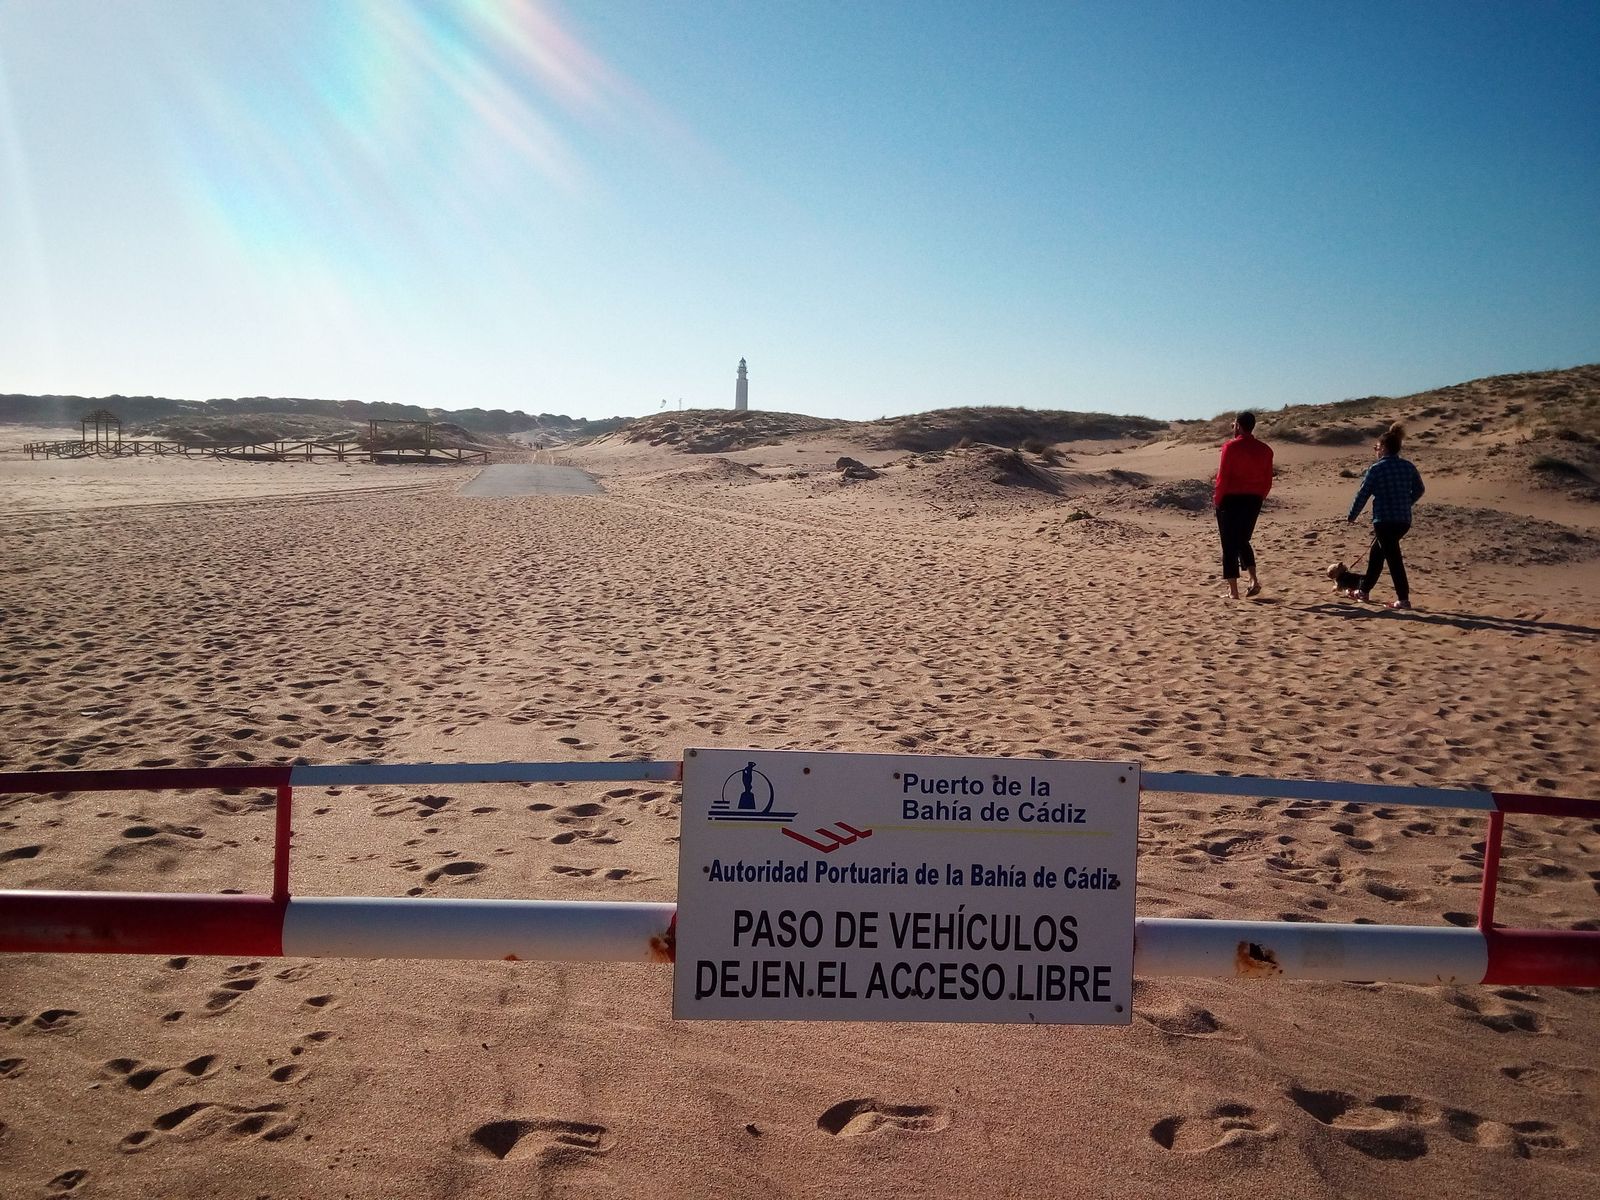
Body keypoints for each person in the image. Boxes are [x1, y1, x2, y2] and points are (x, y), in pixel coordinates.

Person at [1345, 422, 1425, 609]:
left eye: (1377, 447)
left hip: (1384, 520)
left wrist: (1352, 514)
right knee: (1377, 555)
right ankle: (1363, 591)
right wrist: (1406, 502)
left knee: (1393, 559)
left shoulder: (1377, 468)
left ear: (1384, 448)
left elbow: (1363, 493)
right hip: (1403, 520)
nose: (1376, 450)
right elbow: (1420, 489)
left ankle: (1403, 599)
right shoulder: (1408, 466)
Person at [1213, 411, 1274, 599]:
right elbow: (1267, 480)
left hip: (1231, 499)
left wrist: (1217, 499)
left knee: (1229, 544)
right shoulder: (1266, 450)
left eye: (1234, 425)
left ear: (1238, 426)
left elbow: (1223, 477)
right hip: (1254, 499)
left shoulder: (1230, 447)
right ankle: (1253, 579)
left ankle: (1233, 591)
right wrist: (1260, 497)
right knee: (1242, 540)